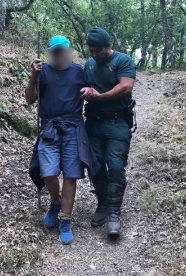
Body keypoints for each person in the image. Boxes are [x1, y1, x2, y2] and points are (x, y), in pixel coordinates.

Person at [27, 35, 99, 244]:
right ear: (50, 52)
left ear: (68, 51)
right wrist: (33, 75)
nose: (59, 54)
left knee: (70, 174)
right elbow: (30, 99)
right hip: (49, 128)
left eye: (62, 50)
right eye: (55, 50)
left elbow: (91, 92)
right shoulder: (43, 71)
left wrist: (90, 92)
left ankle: (65, 220)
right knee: (48, 172)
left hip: (73, 128)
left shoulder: (78, 71)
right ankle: (55, 202)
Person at [81, 27, 136, 237]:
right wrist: (86, 92)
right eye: (91, 51)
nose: (94, 55)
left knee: (115, 164)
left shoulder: (123, 61)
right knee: (95, 164)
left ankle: (114, 212)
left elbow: (125, 87)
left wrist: (100, 96)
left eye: (98, 51)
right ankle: (102, 204)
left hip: (117, 121)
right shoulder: (89, 64)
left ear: (108, 47)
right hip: (93, 123)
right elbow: (85, 86)